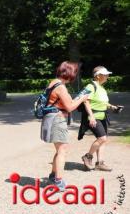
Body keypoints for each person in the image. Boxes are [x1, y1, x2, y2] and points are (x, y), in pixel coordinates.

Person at [41, 61, 88, 191]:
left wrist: (75, 99)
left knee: (59, 150)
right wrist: (82, 99)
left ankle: (53, 176)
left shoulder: (53, 83)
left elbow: (61, 103)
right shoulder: (60, 86)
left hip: (51, 118)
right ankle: (58, 181)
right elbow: (70, 107)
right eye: (75, 72)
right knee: (63, 150)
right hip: (57, 120)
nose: (75, 75)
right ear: (69, 73)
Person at [79, 66, 122, 171]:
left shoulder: (101, 88)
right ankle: (87, 156)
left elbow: (103, 102)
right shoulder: (91, 86)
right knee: (102, 138)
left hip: (102, 117)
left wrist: (112, 107)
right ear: (98, 76)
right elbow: (86, 101)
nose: (107, 76)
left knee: (103, 140)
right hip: (93, 117)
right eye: (105, 74)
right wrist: (91, 116)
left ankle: (100, 163)